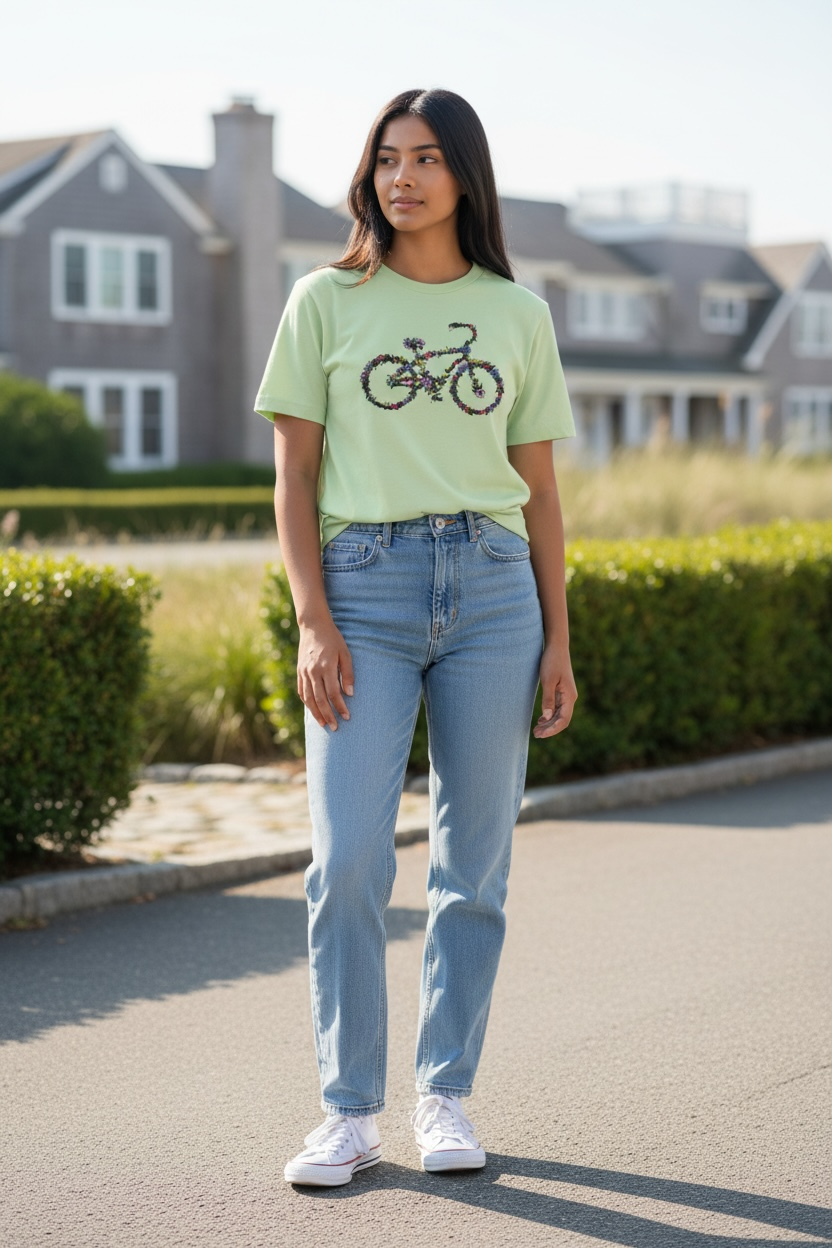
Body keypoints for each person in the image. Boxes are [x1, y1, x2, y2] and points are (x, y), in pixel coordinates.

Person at [255, 87, 578, 1187]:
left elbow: (539, 490)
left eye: (428, 157)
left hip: (493, 595)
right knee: (347, 862)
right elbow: (295, 478)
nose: (403, 176)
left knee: (470, 870)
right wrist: (313, 622)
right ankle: (347, 1113)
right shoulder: (324, 301)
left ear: (464, 178)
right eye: (387, 157)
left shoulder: (516, 314)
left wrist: (557, 639)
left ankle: (443, 1095)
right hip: (364, 590)